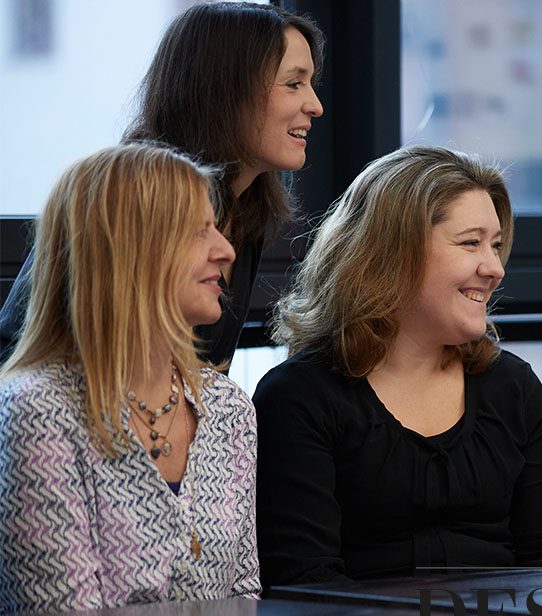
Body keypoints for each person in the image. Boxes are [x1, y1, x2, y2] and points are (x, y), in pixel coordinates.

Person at [253, 146, 542, 586]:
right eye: (470, 243)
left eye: (496, 245)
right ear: (393, 253)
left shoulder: (513, 386)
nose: (495, 268)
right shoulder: (298, 398)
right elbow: (305, 584)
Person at [0, 144, 259, 615]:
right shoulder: (38, 412)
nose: (226, 251)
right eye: (199, 232)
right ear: (129, 251)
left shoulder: (229, 409)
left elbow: (245, 599)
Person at [0, 1, 324, 367]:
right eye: (294, 84)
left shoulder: (247, 214)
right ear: (225, 90)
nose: (316, 105)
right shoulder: (129, 200)